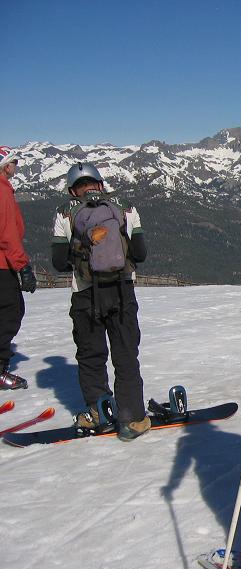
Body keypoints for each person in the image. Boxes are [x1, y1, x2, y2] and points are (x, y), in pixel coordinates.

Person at [51, 162, 150, 441]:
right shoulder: (125, 208)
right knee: (125, 354)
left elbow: (58, 261)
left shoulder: (64, 212)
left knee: (91, 355)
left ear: (73, 190)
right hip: (122, 291)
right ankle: (133, 418)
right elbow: (140, 253)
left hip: (85, 293)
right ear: (101, 184)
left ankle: (99, 413)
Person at [0, 145, 36, 390]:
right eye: (14, 162)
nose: (17, 166)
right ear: (5, 166)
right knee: (10, 314)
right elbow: (8, 235)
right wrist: (23, 267)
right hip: (4, 265)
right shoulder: (3, 192)